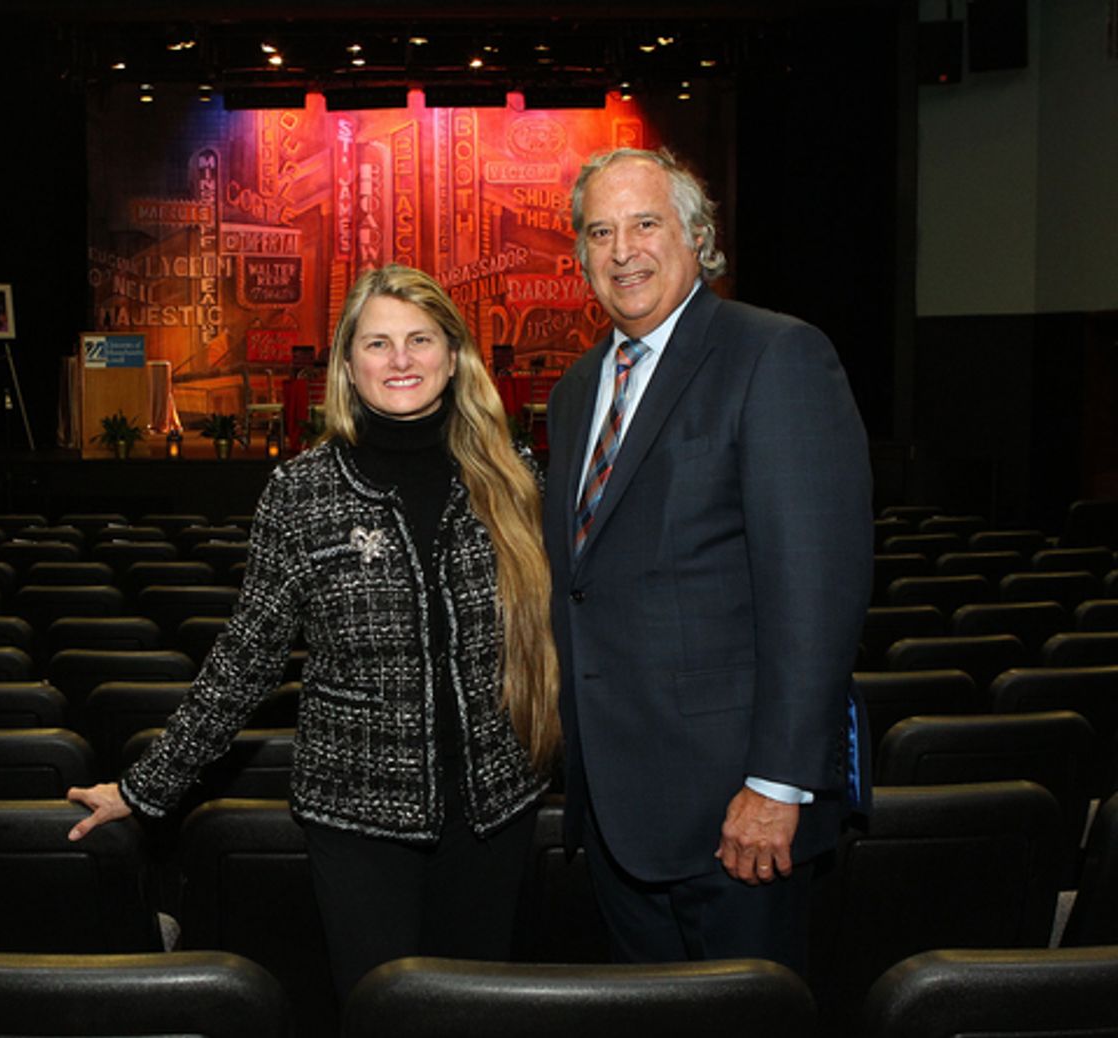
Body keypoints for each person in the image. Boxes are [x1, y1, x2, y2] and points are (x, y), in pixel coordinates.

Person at [67, 263, 560, 999]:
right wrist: (145, 790)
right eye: (378, 343)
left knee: (477, 1012)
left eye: (420, 339)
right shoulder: (301, 490)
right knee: (378, 1012)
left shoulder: (514, 476)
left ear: (453, 356)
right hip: (358, 820)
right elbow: (247, 653)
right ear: (348, 365)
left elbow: (564, 635)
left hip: (496, 812)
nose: (400, 360)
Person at [542, 146, 873, 973]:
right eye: (600, 232)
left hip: (740, 818)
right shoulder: (578, 389)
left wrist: (779, 784)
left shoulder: (776, 357)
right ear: (581, 254)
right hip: (618, 815)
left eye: (646, 224)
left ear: (697, 238)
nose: (623, 251)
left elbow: (816, 591)